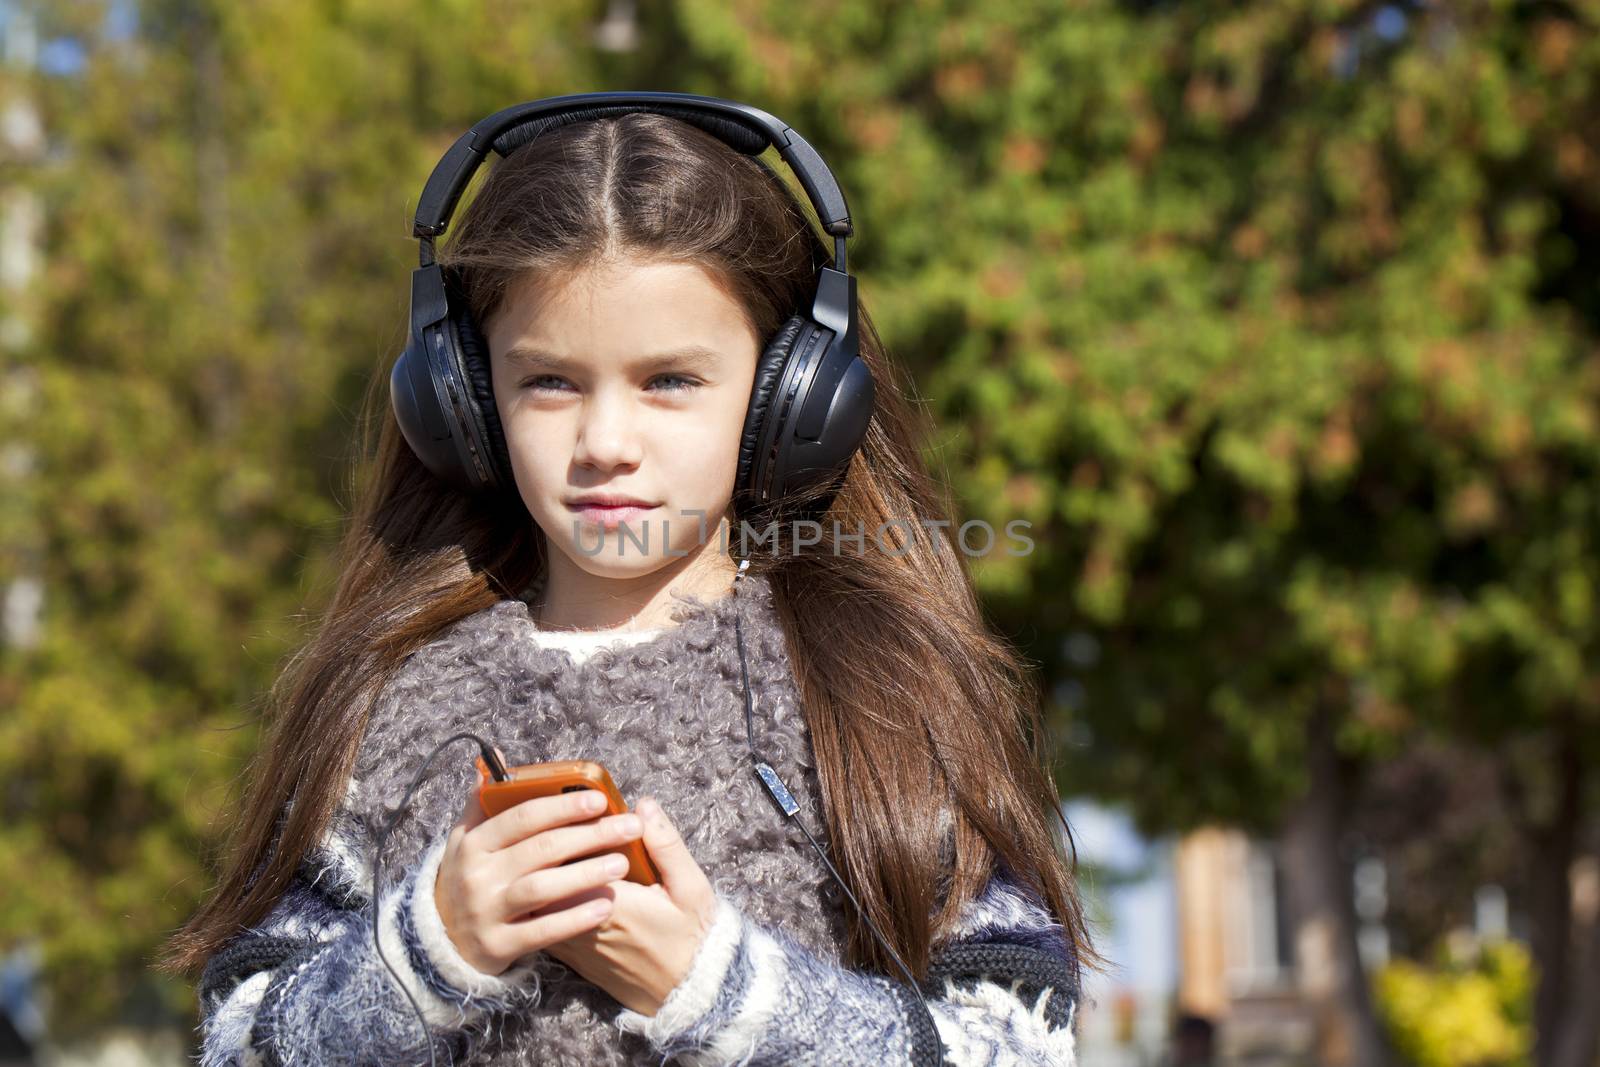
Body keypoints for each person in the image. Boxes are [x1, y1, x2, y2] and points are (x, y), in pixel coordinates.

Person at [159, 94, 1097, 1066]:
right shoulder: (389, 705)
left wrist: (721, 991)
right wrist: (422, 954)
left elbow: (1024, 1045)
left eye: (671, 381)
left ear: (793, 396)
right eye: (549, 381)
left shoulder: (884, 695)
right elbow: (238, 1042)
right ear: (466, 405)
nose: (606, 444)